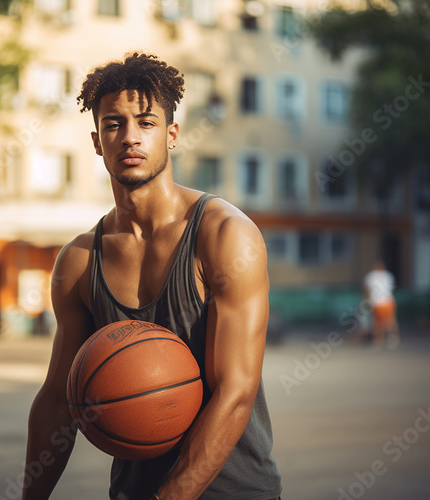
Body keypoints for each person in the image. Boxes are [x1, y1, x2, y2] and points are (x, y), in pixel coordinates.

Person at [22, 52, 282, 500]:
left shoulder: (224, 235)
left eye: (145, 122)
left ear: (172, 134)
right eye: (113, 124)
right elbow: (57, 402)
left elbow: (236, 390)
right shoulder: (80, 262)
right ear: (96, 140)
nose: (129, 138)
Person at [363, 260, 400, 349]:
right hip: (387, 301)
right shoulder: (388, 275)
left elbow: (367, 290)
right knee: (389, 321)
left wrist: (367, 299)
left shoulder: (371, 276)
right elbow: (391, 288)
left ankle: (379, 340)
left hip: (378, 302)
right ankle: (391, 339)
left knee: (377, 322)